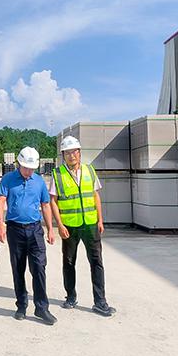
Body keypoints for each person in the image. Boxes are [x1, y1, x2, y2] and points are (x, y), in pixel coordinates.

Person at [50, 136, 116, 317]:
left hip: (90, 224)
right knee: (69, 262)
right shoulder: (57, 174)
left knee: (96, 262)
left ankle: (100, 302)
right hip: (69, 226)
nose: (71, 155)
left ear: (79, 153)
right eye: (67, 153)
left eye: (74, 152)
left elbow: (95, 196)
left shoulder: (89, 170)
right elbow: (53, 201)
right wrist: (59, 225)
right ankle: (71, 297)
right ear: (63, 155)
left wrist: (100, 220)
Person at [0, 146, 57, 325]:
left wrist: (50, 229)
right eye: (26, 168)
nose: (29, 171)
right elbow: (1, 201)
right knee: (18, 268)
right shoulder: (8, 179)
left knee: (39, 267)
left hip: (35, 229)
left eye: (32, 168)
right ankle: (21, 305)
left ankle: (42, 307)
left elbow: (45, 205)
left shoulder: (39, 181)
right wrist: (1, 225)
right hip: (15, 230)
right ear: (18, 164)